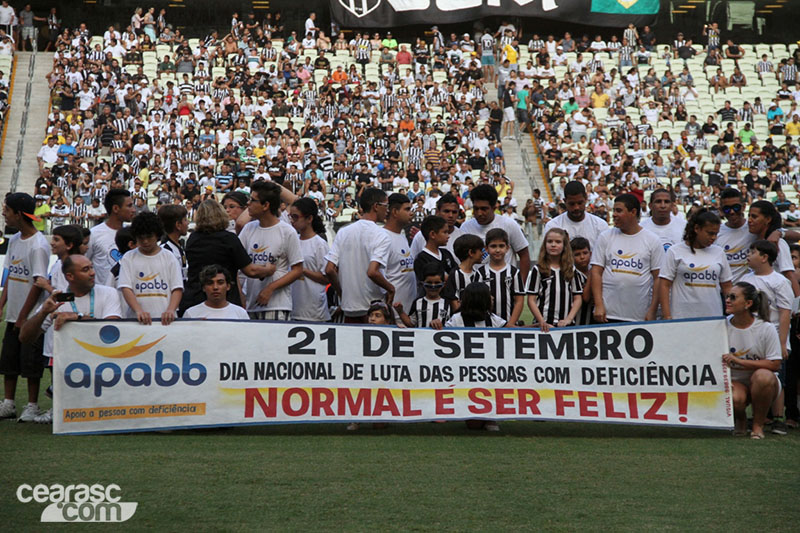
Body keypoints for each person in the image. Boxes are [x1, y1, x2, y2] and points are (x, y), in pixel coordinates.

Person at [19, 255, 122, 423]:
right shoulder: (57, 300)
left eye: (91, 267)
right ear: (70, 276)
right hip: (72, 367)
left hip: (104, 364)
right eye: (85, 269)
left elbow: (112, 326)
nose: (92, 273)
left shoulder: (108, 293)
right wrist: (43, 313)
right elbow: (25, 337)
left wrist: (77, 317)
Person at [0, 193, 49, 421]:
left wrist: (22, 317)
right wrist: (2, 305)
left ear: (19, 214)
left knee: (30, 362)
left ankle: (32, 405)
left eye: (7, 210)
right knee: (9, 360)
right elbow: (10, 275)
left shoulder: (38, 245)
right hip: (14, 315)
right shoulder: (15, 240)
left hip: (30, 317)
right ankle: (8, 403)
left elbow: (38, 284)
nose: (3, 213)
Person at [181, 200, 274, 313]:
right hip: (224, 301)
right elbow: (251, 271)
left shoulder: (192, 239)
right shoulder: (229, 239)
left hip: (194, 299)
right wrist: (268, 269)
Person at [741, 240, 793, 435]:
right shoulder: (746, 279)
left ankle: (779, 417)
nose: (748, 255)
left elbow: (784, 312)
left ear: (764, 257)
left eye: (752, 252)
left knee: (777, 377)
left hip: (773, 336)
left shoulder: (779, 281)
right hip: (751, 336)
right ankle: (757, 416)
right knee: (753, 376)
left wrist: (781, 343)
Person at [591, 193, 664, 323]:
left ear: (633, 212)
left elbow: (658, 277)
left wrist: (652, 310)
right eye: (614, 210)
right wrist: (598, 305)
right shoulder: (605, 237)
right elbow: (596, 272)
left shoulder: (652, 240)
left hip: (638, 316)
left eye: (619, 211)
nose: (614, 214)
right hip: (607, 316)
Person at [723, 282, 782, 439]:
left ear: (748, 303)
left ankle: (758, 425)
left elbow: (775, 364)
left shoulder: (766, 328)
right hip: (735, 382)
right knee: (736, 399)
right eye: (727, 296)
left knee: (763, 376)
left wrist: (740, 362)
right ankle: (741, 419)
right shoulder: (721, 325)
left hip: (763, 382)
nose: (728, 300)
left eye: (733, 297)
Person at [238, 181, 303, 321]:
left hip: (276, 306)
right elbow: (238, 263)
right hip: (251, 305)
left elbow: (297, 270)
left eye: (253, 200)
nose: (248, 204)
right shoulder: (248, 229)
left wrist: (270, 288)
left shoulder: (287, 231)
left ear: (266, 205)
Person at [445, 281, 506, 432]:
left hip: (489, 373)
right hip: (465, 374)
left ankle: (492, 416)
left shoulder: (492, 319)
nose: (492, 298)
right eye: (489, 295)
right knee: (473, 426)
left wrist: (539, 327)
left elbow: (514, 332)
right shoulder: (457, 320)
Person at [325, 188, 393, 322]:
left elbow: (329, 269)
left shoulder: (344, 232)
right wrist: (391, 289)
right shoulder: (381, 235)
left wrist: (342, 293)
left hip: (349, 308)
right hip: (373, 310)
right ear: (376, 206)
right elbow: (372, 272)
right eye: (386, 206)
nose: (388, 210)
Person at [659, 209, 732, 320]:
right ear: (697, 229)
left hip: (713, 317)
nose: (713, 238)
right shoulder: (675, 251)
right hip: (681, 317)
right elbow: (664, 285)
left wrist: (732, 313)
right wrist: (667, 315)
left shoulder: (719, 252)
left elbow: (727, 286)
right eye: (710, 233)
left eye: (716, 234)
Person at [118, 212, 183, 325]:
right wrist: (138, 310)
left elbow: (177, 288)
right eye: (141, 238)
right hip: (137, 321)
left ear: (157, 235)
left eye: (149, 237)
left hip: (166, 322)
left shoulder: (169, 257)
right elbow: (126, 287)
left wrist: (171, 310)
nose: (145, 242)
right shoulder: (129, 258)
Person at [461, 184, 529, 278]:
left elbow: (524, 254)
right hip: (476, 289)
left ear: (494, 208)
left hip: (507, 286)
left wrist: (520, 286)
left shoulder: (509, 225)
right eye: (476, 208)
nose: (479, 213)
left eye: (484, 209)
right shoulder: (465, 228)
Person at [527, 228, 584, 331]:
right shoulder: (538, 269)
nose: (553, 245)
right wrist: (541, 321)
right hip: (544, 326)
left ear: (564, 246)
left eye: (558, 242)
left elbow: (577, 298)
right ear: (545, 245)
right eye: (550, 241)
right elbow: (531, 299)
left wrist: (569, 319)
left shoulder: (571, 269)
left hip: (566, 326)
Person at [288, 198, 330, 322]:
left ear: (309, 219)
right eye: (291, 217)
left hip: (313, 310)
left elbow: (325, 278)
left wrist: (301, 270)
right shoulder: (293, 240)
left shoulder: (319, 244)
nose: (292, 221)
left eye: (296, 217)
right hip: (293, 307)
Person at [747, 200, 800, 297]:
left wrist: (798, 306)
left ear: (767, 219)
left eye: (754, 217)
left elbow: (789, 275)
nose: (749, 220)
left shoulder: (778, 243)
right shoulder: (751, 239)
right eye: (749, 216)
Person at [476, 228, 524, 326]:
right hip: (487, 325)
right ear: (486, 249)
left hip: (509, 323)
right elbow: (478, 301)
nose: (497, 250)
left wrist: (511, 323)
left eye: (501, 246)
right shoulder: (480, 273)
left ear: (507, 248)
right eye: (493, 246)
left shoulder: (514, 272)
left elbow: (519, 300)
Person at [86, 189, 134, 286]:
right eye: (129, 206)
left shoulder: (133, 232)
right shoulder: (94, 234)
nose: (133, 210)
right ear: (116, 208)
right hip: (103, 297)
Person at [383, 193, 417, 320]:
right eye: (407, 209)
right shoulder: (383, 237)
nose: (411, 213)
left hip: (407, 315)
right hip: (393, 316)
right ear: (395, 212)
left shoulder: (402, 236)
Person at [544, 181, 609, 247]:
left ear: (586, 198)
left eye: (580, 203)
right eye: (572, 204)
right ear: (565, 201)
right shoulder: (553, 226)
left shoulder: (600, 226)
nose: (576, 207)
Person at [395, 263, 451, 329]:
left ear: (443, 284)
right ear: (422, 284)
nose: (433, 286)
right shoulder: (417, 302)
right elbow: (411, 323)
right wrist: (400, 312)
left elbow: (453, 324)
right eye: (429, 283)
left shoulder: (448, 304)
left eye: (437, 283)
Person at [182, 265, 250, 320]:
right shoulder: (191, 314)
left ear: (228, 286)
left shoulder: (240, 314)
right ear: (203, 288)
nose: (215, 287)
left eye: (220, 283)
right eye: (210, 283)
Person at [413, 215, 457, 296]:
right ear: (432, 234)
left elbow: (457, 274)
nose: (448, 236)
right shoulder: (421, 259)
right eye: (445, 232)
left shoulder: (446, 253)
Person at [409, 193, 463, 258]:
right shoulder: (421, 236)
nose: (451, 215)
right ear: (437, 212)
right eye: (446, 211)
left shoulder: (462, 237)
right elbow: (412, 263)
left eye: (454, 212)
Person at [443, 234, 485, 311]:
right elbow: (454, 305)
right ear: (471, 252)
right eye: (480, 250)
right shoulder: (455, 274)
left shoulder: (478, 275)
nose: (482, 254)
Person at [158, 204, 189, 282]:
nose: (188, 223)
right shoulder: (165, 250)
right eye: (185, 220)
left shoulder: (179, 245)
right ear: (178, 225)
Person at [571, 237, 594, 325]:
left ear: (590, 254)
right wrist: (592, 273)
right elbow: (585, 297)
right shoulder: (571, 275)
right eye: (577, 254)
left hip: (592, 320)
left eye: (585, 253)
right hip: (576, 321)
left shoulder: (598, 273)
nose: (582, 257)